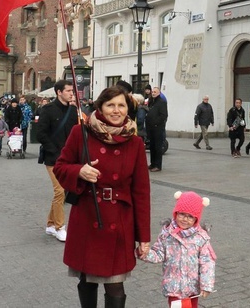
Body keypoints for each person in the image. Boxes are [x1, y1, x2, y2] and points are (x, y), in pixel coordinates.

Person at [53, 86, 151, 308]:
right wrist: (79, 171)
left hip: (119, 221)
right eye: (110, 105)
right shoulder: (81, 132)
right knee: (86, 280)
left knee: (115, 285)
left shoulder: (135, 142)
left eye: (121, 105)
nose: (116, 110)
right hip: (88, 217)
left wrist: (143, 237)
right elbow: (60, 167)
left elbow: (142, 192)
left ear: (128, 109)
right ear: (100, 107)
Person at [141, 191, 216, 307]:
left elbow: (207, 262)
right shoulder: (167, 233)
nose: (185, 219)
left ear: (196, 219)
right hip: (173, 286)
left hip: (192, 288)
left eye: (190, 216)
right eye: (182, 214)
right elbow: (159, 254)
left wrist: (206, 285)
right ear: (176, 213)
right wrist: (145, 253)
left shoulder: (201, 238)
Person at [37, 80, 77, 242]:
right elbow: (41, 133)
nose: (71, 93)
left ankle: (50, 224)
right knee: (60, 191)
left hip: (69, 158)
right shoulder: (48, 110)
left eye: (71, 91)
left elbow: (77, 133)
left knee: (61, 191)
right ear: (59, 92)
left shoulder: (73, 111)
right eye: (68, 91)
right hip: (53, 158)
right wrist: (53, 149)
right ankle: (60, 227)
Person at [146, 86, 168, 172]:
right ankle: (153, 163)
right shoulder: (151, 101)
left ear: (159, 93)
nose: (153, 93)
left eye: (155, 92)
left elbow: (164, 115)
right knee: (152, 146)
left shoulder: (162, 102)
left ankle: (158, 165)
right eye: (153, 92)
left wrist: (155, 123)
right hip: (150, 128)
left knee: (158, 147)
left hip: (158, 128)